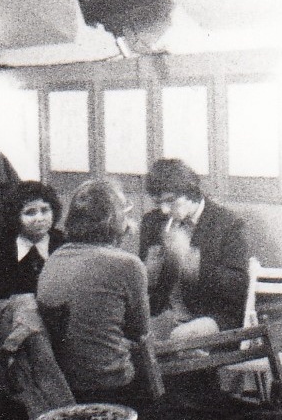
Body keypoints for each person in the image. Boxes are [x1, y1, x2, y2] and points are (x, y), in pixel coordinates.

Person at [36, 180, 154, 405]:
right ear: (115, 218)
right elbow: (140, 332)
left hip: (65, 388)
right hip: (111, 387)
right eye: (125, 211)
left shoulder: (55, 257)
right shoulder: (128, 264)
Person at [138, 159, 252, 341]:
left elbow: (238, 287)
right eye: (158, 202)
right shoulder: (152, 222)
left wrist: (194, 263)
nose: (164, 210)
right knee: (128, 336)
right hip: (166, 313)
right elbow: (148, 292)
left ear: (191, 192)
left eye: (171, 200)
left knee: (179, 337)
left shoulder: (228, 224)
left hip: (211, 316)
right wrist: (147, 273)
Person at [0, 180, 66, 298]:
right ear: (15, 216)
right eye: (30, 212)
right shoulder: (1, 249)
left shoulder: (63, 244)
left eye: (45, 210)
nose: (39, 218)